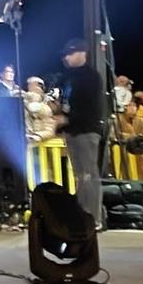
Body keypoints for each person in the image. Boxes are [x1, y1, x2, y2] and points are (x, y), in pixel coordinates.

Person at [57, 40, 106, 228]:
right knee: (79, 175)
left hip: (86, 130)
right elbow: (67, 103)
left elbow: (90, 108)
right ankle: (82, 214)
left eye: (70, 54)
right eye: (65, 55)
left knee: (89, 174)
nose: (67, 58)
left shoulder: (91, 77)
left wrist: (67, 119)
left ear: (82, 53)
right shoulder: (68, 77)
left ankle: (93, 218)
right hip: (72, 131)